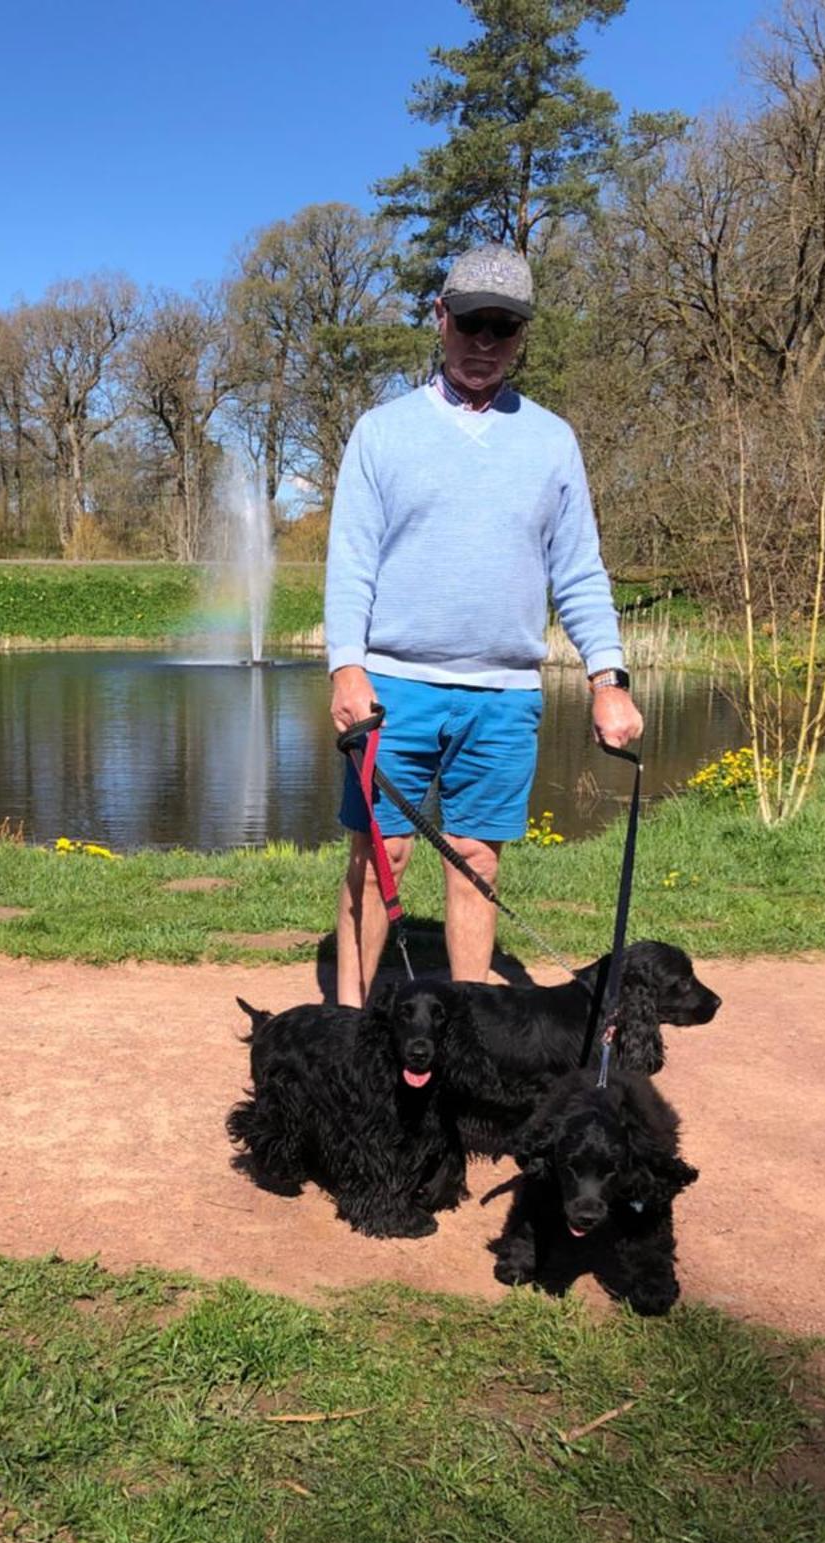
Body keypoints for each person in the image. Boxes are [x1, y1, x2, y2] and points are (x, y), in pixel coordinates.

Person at [325, 243, 644, 1004]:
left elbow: (579, 571)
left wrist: (609, 678)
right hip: (394, 686)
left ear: (521, 335)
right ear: (441, 319)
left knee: (476, 859)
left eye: (503, 328)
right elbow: (350, 563)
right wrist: (346, 665)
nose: (484, 343)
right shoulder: (382, 431)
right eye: (471, 323)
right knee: (380, 857)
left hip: (503, 695)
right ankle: (347, 1031)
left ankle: (469, 1038)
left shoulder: (551, 441)